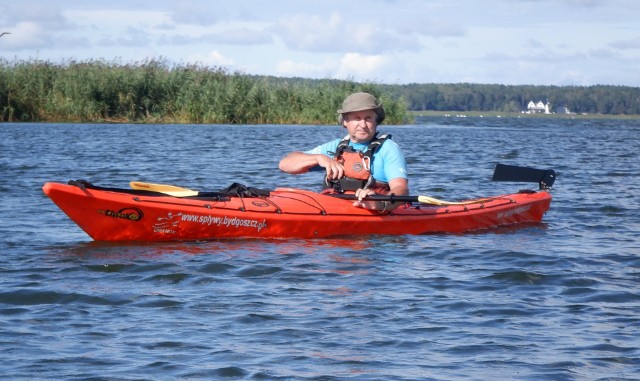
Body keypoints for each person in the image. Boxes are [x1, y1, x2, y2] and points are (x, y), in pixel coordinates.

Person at [279, 92, 409, 210]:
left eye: (368, 118)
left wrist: (379, 203)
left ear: (376, 121)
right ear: (345, 121)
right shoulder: (335, 147)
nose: (363, 125)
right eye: (357, 118)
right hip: (335, 208)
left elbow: (401, 190)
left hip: (374, 211)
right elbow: (285, 164)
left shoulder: (388, 148)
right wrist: (318, 158)